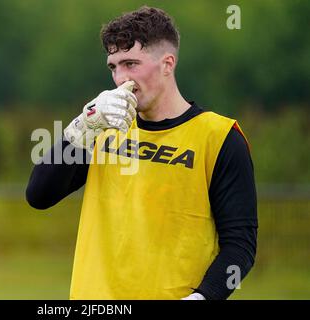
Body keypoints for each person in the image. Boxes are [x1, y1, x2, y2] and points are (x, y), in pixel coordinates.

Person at [26, 6, 257, 300]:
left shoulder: (220, 137)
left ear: (167, 64)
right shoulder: (101, 127)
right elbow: (39, 195)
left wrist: (202, 297)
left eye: (131, 63)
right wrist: (83, 124)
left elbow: (240, 244)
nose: (122, 78)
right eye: (114, 66)